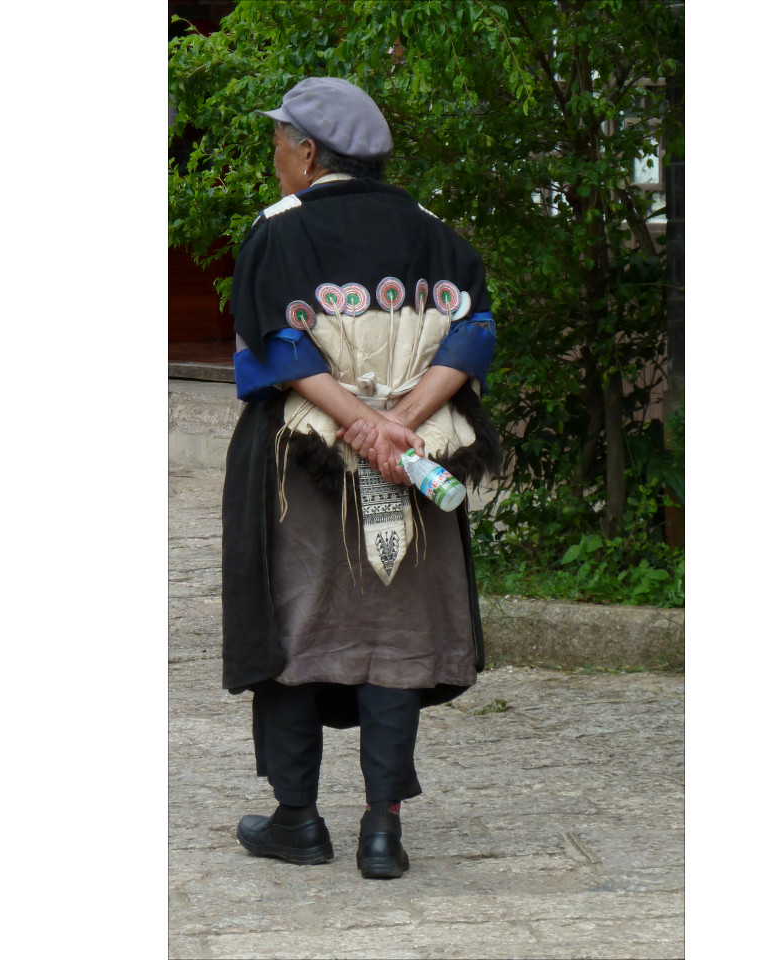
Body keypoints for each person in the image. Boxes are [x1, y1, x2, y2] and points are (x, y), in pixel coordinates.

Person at [221, 76, 499, 879]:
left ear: (308, 152)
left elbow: (282, 352)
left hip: (301, 465)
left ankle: (298, 819)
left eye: (279, 143)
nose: (275, 157)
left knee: (295, 630)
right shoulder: (434, 234)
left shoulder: (279, 232)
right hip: (415, 462)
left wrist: (357, 425)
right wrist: (398, 424)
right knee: (396, 637)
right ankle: (384, 830)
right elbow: (473, 337)